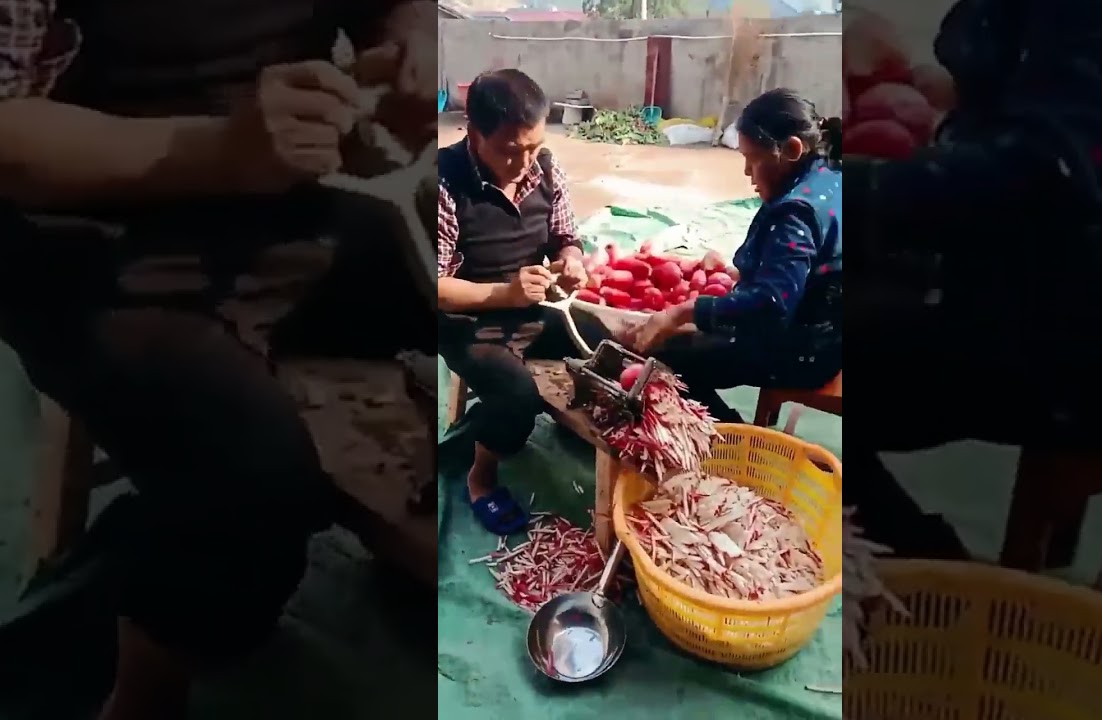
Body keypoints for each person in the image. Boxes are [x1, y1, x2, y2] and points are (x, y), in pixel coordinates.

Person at [0, 2, 437, 719]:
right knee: (252, 477)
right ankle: (143, 696)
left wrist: (415, 40)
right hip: (79, 230)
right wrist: (222, 151)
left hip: (286, 196)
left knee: (488, 312)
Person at [827, 0, 1102, 560]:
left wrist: (843, 194)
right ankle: (912, 568)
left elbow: (1056, 180)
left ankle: (929, 591)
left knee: (737, 340)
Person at [436, 69, 610, 536]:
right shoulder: (443, 181)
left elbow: (565, 237)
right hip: (466, 319)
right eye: (512, 151)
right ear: (474, 134)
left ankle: (584, 434)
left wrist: (570, 260)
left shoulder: (544, 168)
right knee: (516, 393)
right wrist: (504, 293)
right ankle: (481, 476)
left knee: (607, 349)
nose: (525, 161)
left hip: (535, 307)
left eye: (534, 146)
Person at [628, 89, 843, 427]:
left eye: (752, 159)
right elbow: (803, 271)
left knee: (664, 361)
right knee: (689, 340)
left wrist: (684, 311)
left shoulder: (796, 213)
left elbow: (772, 302)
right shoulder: (829, 177)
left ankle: (731, 435)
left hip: (803, 351)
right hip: (828, 337)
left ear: (791, 150)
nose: (746, 172)